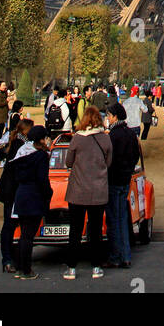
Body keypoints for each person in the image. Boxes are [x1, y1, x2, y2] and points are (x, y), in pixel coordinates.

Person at [63, 106, 112, 280]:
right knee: (96, 230)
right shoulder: (105, 139)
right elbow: (108, 162)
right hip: (97, 190)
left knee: (75, 230)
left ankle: (71, 267)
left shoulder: (77, 139)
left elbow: (69, 162)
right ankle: (96, 266)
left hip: (78, 189)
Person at [9, 124, 52, 281]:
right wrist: (48, 194)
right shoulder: (41, 157)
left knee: (23, 235)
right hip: (34, 196)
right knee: (29, 235)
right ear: (41, 139)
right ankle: (26, 269)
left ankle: (20, 266)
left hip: (21, 195)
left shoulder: (22, 153)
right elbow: (43, 180)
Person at [0, 117, 34, 271]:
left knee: (9, 225)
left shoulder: (15, 141)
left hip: (8, 188)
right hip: (15, 189)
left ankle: (8, 258)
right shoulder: (21, 145)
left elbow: (0, 154)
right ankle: (9, 258)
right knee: (12, 225)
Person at [104, 103, 140, 268]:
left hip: (113, 180)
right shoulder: (130, 133)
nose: (108, 119)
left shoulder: (112, 135)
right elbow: (135, 155)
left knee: (113, 220)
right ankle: (126, 255)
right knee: (123, 218)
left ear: (115, 116)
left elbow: (108, 159)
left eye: (109, 115)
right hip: (125, 179)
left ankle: (115, 256)